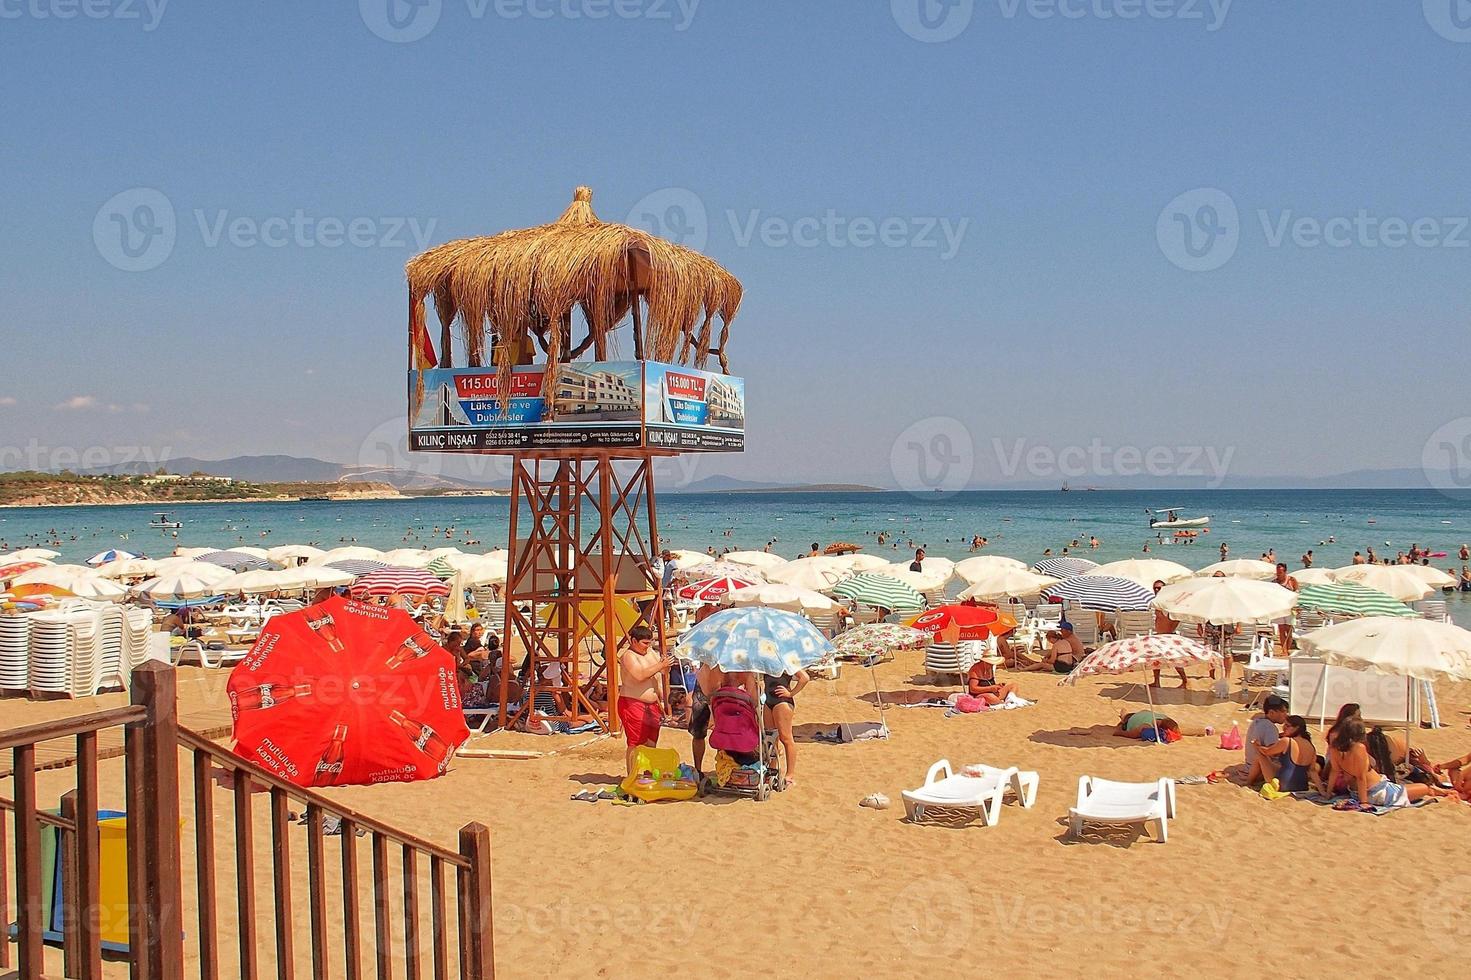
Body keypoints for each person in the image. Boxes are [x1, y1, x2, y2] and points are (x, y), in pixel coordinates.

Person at [1326, 717, 1456, 807]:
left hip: (1358, 792)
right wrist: (1364, 802)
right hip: (1379, 793)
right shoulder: (1358, 748)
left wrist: (1327, 793)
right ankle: (1442, 792)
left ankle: (1443, 792)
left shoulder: (1335, 749)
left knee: (1417, 789)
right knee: (1424, 788)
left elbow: (1334, 772)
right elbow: (1361, 777)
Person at [617, 625, 675, 775]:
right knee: (635, 742)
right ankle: (632, 775)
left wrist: (666, 665)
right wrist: (660, 665)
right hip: (632, 702)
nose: (647, 646)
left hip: (653, 704)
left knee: (651, 741)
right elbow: (640, 676)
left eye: (649, 643)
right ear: (634, 641)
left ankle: (649, 771)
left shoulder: (650, 652)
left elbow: (662, 671)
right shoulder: (628, 656)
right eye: (644, 643)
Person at [764, 667, 809, 785]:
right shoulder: (766, 661)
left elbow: (804, 677)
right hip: (768, 701)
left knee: (786, 738)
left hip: (782, 702)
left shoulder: (785, 661)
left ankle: (790, 775)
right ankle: (772, 770)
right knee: (770, 738)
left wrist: (791, 693)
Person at [1254, 714, 1319, 791]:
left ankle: (1248, 782)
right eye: (1284, 725)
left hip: (1283, 785)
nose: (1284, 728)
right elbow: (1313, 771)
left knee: (1260, 754)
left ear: (1297, 728)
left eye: (1287, 726)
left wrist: (1257, 745)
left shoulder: (1287, 741)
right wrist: (1323, 792)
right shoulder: (1311, 746)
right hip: (1302, 786)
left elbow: (1266, 752)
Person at [1243, 695, 1289, 785]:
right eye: (1283, 712)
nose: (1286, 715)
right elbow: (1272, 752)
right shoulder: (1270, 728)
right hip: (1258, 769)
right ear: (1271, 713)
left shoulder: (1257, 721)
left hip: (1249, 764)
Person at [1150, 580, 1188, 688]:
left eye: (1159, 588)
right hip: (1159, 634)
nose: (1157, 590)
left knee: (1175, 660)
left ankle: (1185, 681)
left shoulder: (1169, 603)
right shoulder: (1157, 602)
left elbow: (1178, 617)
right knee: (1156, 660)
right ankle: (1156, 682)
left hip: (1169, 635)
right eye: (1155, 588)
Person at [1272, 563, 1298, 654]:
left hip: (1290, 608)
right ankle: (1284, 650)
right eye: (1277, 571)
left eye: (1280, 572)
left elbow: (1297, 593)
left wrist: (1296, 606)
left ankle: (1288, 648)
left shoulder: (1291, 580)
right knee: (1281, 629)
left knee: (1289, 630)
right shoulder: (1274, 582)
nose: (1278, 573)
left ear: (1285, 571)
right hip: (1279, 608)